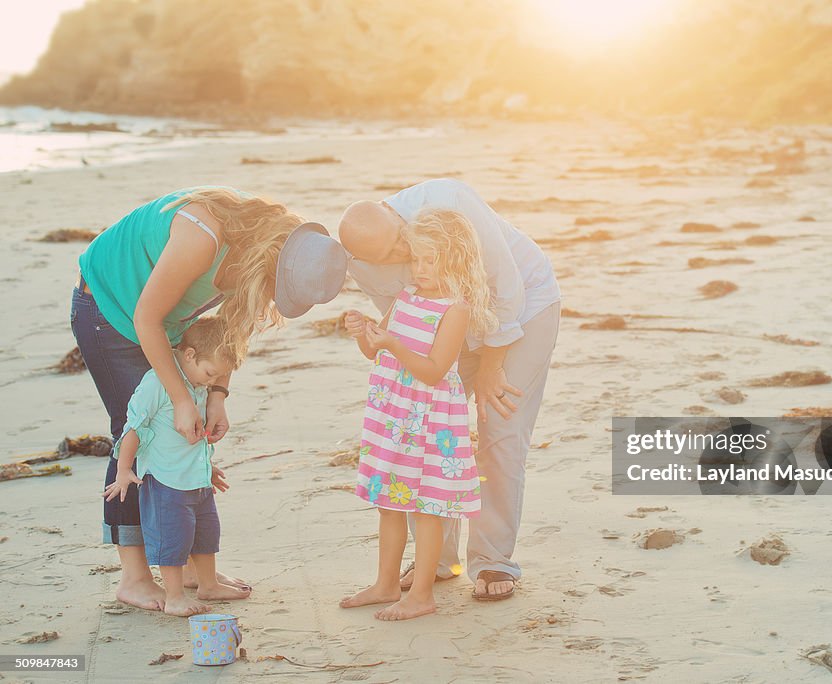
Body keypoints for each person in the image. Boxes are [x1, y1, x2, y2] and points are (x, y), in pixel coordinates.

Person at [72, 187, 346, 610]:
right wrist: (182, 399)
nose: (274, 299)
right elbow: (147, 318)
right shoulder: (203, 236)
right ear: (271, 262)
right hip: (110, 311)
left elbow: (226, 332)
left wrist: (216, 395)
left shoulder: (258, 255)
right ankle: (134, 577)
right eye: (279, 289)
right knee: (137, 431)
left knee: (180, 437)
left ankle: (188, 569)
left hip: (168, 320)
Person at [337, 179, 560, 600]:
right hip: (447, 327)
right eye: (385, 260)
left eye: (400, 249)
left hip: (522, 309)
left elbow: (506, 292)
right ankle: (436, 559)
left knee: (499, 427)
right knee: (433, 439)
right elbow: (407, 321)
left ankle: (493, 560)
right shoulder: (362, 260)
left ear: (399, 221)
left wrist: (493, 364)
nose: (402, 262)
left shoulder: (451, 205)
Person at [339, 209, 495, 620]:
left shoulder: (454, 310)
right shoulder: (405, 297)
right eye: (417, 259)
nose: (420, 269)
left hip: (429, 421)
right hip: (392, 416)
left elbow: (434, 370)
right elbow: (375, 350)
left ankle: (422, 593)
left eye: (431, 260)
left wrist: (391, 343)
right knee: (389, 502)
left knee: (425, 506)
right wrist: (365, 334)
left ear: (455, 260)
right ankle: (386, 582)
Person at [104, 317, 249, 617]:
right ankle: (174, 597)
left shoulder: (198, 385)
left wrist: (207, 466)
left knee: (206, 535)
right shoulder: (156, 384)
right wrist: (123, 470)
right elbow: (133, 428)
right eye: (210, 374)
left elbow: (195, 437)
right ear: (190, 355)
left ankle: (208, 583)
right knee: (173, 540)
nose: (211, 382)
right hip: (167, 482)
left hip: (196, 481)